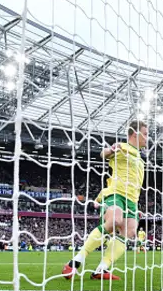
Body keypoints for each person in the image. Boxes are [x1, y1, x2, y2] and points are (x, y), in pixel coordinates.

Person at [63, 120, 148, 280]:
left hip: (132, 200)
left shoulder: (141, 158)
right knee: (114, 221)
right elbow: (104, 154)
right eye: (145, 134)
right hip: (115, 193)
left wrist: (137, 206)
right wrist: (111, 150)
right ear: (135, 134)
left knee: (129, 232)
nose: (147, 138)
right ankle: (75, 261)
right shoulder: (123, 147)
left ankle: (101, 269)